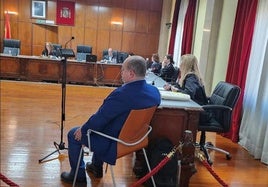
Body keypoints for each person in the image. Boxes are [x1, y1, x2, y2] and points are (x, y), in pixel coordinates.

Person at [60, 55, 161, 184]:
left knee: (74, 134)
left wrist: (83, 129)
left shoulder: (121, 94)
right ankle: (96, 167)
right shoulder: (155, 92)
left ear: (131, 73)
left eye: (123, 70)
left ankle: (78, 177)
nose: (121, 73)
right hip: (138, 139)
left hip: (116, 143)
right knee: (106, 126)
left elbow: (100, 119)